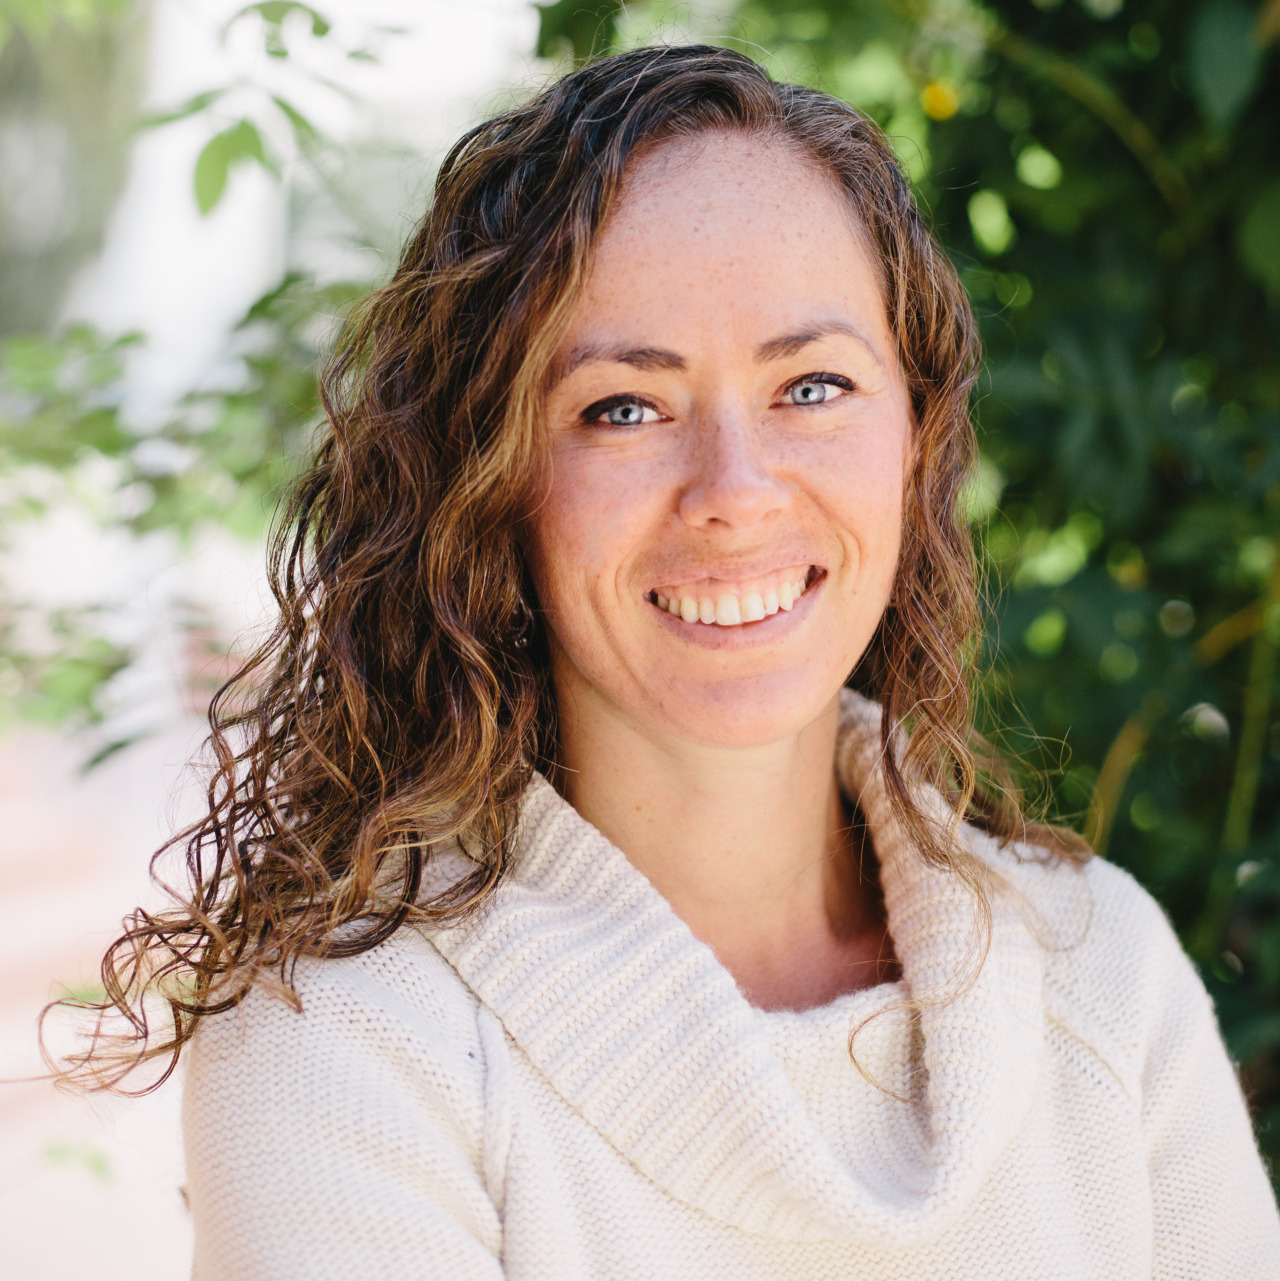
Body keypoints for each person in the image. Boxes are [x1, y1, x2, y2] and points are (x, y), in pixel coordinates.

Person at [60, 44, 1278, 1278]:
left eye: (811, 385)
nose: (734, 493)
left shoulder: (1100, 975)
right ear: (489, 487)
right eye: (623, 409)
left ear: (915, 440)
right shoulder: (354, 1047)